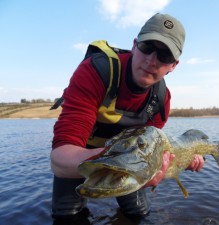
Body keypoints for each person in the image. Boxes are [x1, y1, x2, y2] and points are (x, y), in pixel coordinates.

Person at [50, 13, 205, 221]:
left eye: (164, 56)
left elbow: (152, 151)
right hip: (80, 154)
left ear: (173, 66)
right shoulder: (95, 72)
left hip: (133, 162)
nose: (151, 60)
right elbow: (60, 160)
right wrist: (123, 162)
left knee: (138, 214)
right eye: (147, 47)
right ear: (134, 45)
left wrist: (153, 170)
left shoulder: (161, 100)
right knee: (66, 216)